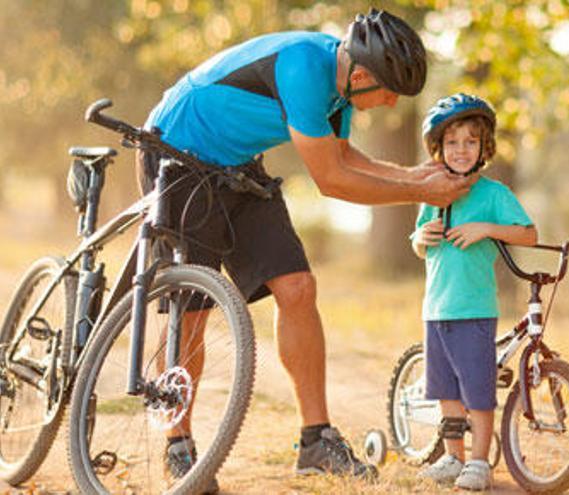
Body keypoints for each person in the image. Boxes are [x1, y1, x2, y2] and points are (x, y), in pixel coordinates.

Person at [136, 9, 474, 491]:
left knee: (297, 286)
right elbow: (331, 180)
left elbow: (340, 154)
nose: (392, 100)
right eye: (389, 89)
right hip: (177, 151)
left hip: (233, 162)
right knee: (192, 311)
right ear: (361, 75)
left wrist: (413, 175)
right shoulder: (303, 67)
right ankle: (178, 443)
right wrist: (422, 192)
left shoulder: (341, 85)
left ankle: (315, 441)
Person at [410, 94, 537, 491]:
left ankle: (480, 462)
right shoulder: (433, 193)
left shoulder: (494, 195)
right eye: (451, 142)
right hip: (436, 309)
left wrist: (486, 228)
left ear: (484, 148)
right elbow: (418, 244)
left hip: (473, 308)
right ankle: (453, 456)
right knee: (446, 390)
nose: (461, 150)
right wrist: (421, 236)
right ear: (438, 149)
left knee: (477, 390)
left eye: (470, 141)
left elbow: (529, 235)